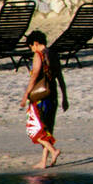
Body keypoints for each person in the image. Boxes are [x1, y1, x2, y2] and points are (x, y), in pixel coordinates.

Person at [21, 30, 67, 168]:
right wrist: (65, 97)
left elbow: (34, 75)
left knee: (34, 128)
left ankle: (54, 151)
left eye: (31, 47)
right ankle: (44, 161)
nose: (32, 50)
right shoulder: (53, 54)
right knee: (47, 129)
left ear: (35, 43)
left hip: (40, 96)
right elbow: (60, 76)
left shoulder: (38, 55)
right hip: (53, 95)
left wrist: (25, 95)